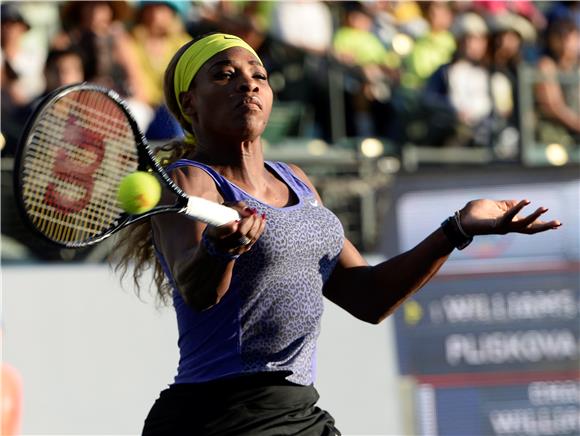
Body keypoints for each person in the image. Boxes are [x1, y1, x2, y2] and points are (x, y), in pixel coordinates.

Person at [114, 33, 561, 435]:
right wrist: (219, 249)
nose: (247, 84)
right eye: (224, 76)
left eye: (258, 75)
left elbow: (368, 297)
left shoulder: (297, 180)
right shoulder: (188, 182)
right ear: (190, 103)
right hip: (219, 415)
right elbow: (197, 290)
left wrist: (457, 228)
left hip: (296, 410)